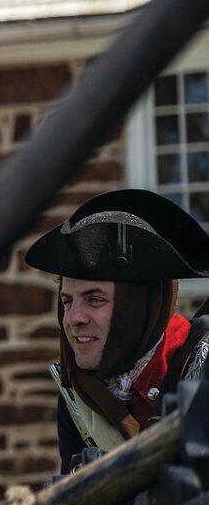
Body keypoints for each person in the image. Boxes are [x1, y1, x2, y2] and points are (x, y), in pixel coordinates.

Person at [24, 188, 209, 472]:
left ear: (136, 308)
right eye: (67, 300)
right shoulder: (80, 398)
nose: (73, 318)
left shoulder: (202, 370)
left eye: (94, 300)